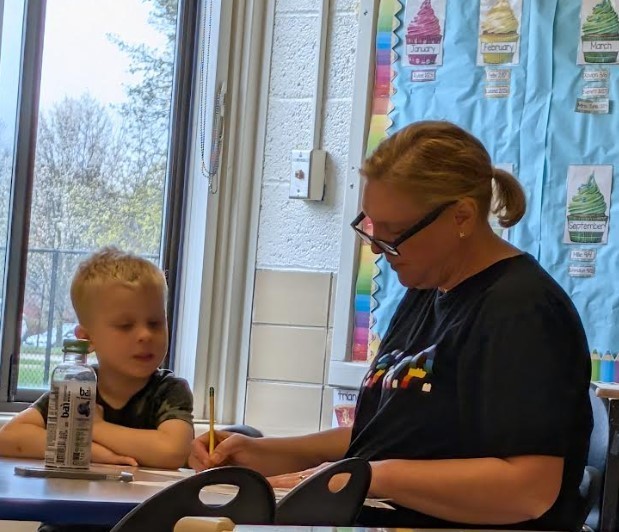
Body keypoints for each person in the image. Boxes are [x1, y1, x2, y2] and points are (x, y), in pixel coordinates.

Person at [189, 121, 593, 531]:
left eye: (395, 233)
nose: (378, 248)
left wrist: (373, 478)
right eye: (371, 227)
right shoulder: (425, 288)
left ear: (462, 216)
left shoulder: (522, 311)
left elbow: (530, 490)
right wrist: (262, 452)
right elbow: (382, 435)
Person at [0, 247, 194, 531]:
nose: (144, 335)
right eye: (126, 326)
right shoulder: (75, 388)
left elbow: (171, 450)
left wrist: (94, 427)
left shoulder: (169, 390)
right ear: (86, 338)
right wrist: (90, 450)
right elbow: (10, 438)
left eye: (155, 323)